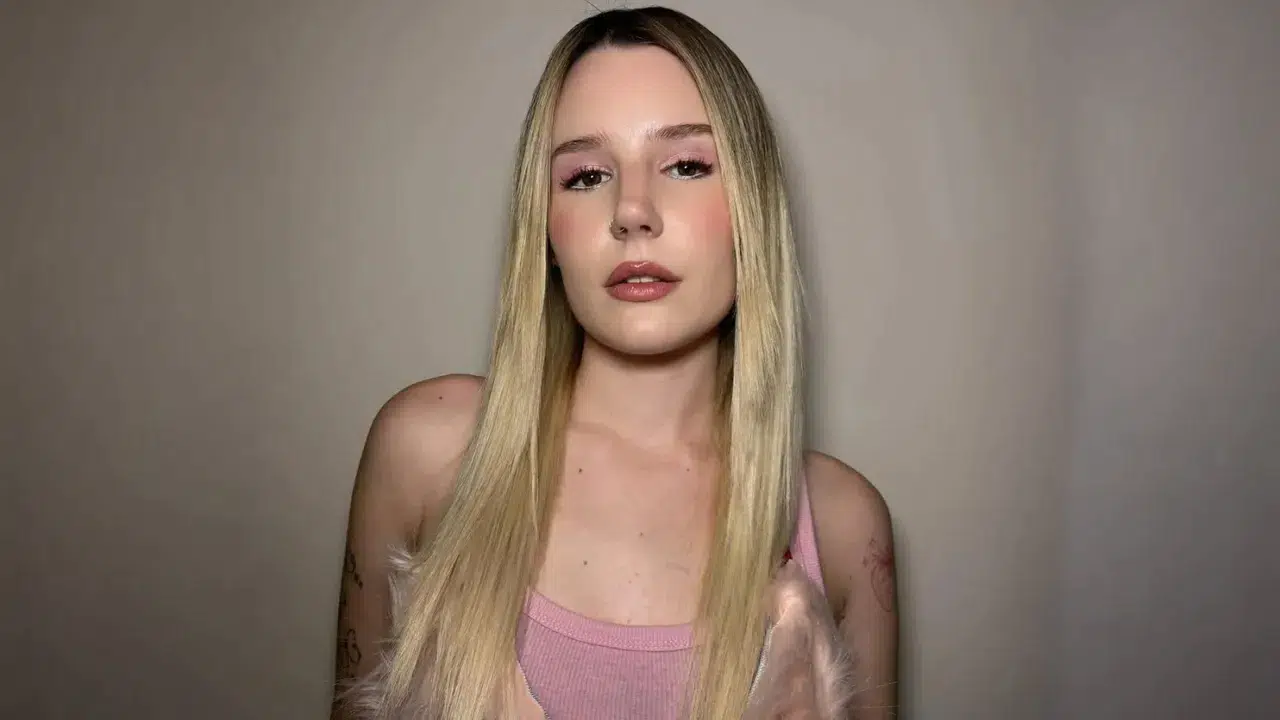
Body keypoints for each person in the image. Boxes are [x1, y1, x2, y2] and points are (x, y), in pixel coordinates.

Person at [331, 6, 897, 719]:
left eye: (687, 165)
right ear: (546, 228)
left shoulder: (843, 526)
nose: (632, 211)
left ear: (752, 209)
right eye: (587, 175)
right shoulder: (427, 449)